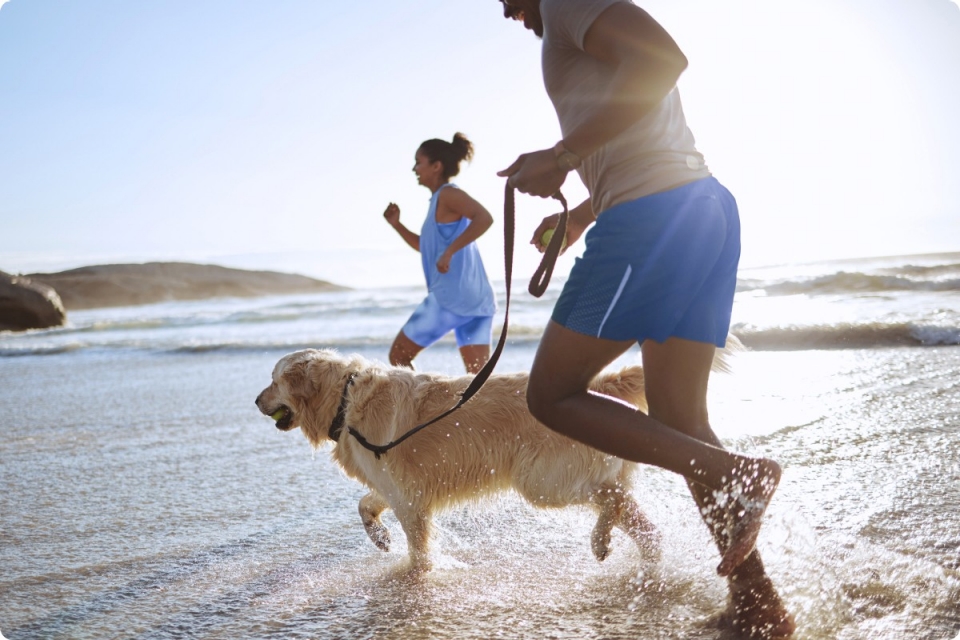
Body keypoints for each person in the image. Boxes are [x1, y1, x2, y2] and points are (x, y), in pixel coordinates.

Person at [494, 1, 795, 638]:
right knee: (681, 421)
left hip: (653, 219)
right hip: (695, 205)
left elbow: (664, 61)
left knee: (550, 395)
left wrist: (562, 153)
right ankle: (760, 607)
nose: (507, 12)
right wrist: (578, 216)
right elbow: (641, 134)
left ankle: (736, 472)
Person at [384, 133, 497, 374]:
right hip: (478, 301)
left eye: (418, 162)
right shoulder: (439, 200)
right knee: (476, 378)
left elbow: (485, 218)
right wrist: (397, 224)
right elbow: (426, 247)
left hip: (450, 300)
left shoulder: (448, 195)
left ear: (436, 166)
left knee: (398, 357)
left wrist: (450, 251)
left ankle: (423, 409)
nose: (414, 168)